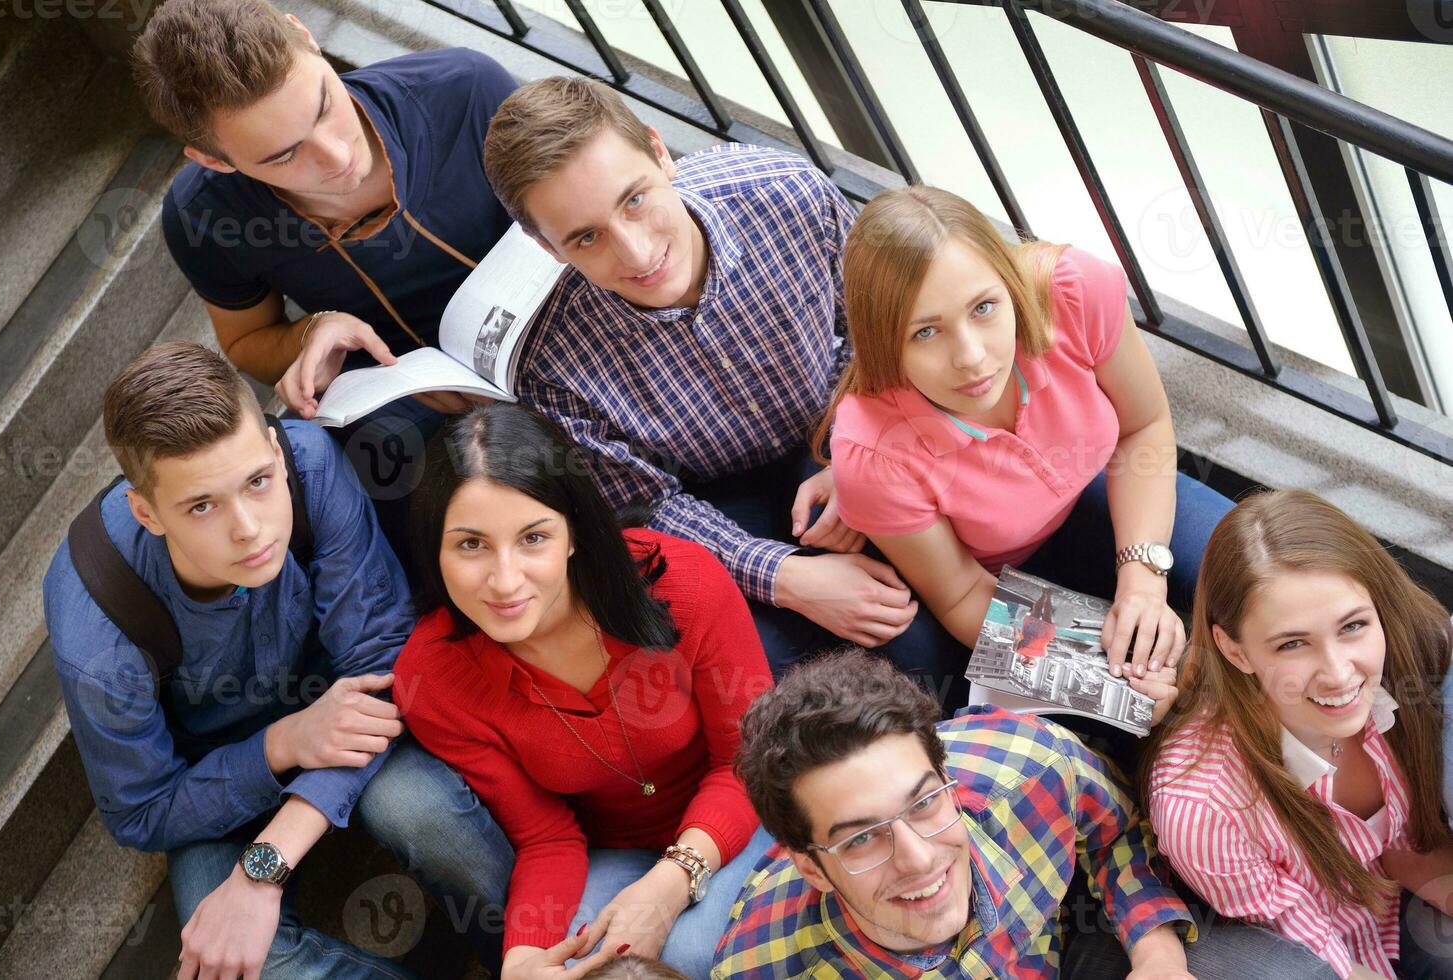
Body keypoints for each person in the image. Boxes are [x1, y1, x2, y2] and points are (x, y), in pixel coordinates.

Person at [481, 76, 970, 708]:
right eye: (585, 237)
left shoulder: (790, 198)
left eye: (634, 200)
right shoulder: (548, 361)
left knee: (930, 624)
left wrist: (857, 450)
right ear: (543, 245)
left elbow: (873, 332)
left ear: (661, 152)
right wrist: (787, 578)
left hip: (839, 426)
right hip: (709, 502)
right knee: (765, 675)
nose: (635, 252)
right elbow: (645, 504)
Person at [42, 342, 512, 979]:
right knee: (246, 965)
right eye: (202, 506)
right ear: (147, 512)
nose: (251, 529)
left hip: (354, 712)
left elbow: (385, 661)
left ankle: (534, 960)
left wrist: (268, 862)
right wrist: (282, 745)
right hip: (209, 780)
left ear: (270, 446)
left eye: (258, 482)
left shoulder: (310, 465)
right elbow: (142, 809)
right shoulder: (98, 624)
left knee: (423, 813)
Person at [392, 403, 775, 980]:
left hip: (739, 812)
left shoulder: (683, 580)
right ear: (433, 551)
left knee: (693, 957)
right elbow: (544, 835)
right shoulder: (433, 676)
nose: (504, 580)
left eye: (533, 538)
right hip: (608, 855)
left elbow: (747, 759)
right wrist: (522, 958)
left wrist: (672, 883)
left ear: (574, 533)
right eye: (471, 545)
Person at [821, 185, 1235, 690]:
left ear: (1008, 281)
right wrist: (1107, 667)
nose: (971, 356)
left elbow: (1143, 427)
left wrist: (1143, 584)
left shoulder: (1074, 289)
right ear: (885, 341)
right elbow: (962, 594)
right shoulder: (871, 454)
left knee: (1259, 583)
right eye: (926, 332)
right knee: (1159, 695)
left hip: (1105, 488)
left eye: (984, 307)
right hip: (992, 580)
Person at [715, 648, 1343, 980]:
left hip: (1069, 951)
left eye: (926, 803)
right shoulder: (761, 968)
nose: (920, 858)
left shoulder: (1031, 764)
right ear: (812, 868)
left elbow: (1116, 831)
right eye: (861, 841)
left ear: (948, 780)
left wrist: (1156, 956)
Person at [136, 0, 517, 538]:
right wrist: (315, 331)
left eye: (323, 107)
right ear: (215, 161)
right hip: (402, 399)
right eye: (284, 156)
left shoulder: (466, 89)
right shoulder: (203, 214)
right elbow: (247, 341)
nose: (336, 155)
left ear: (305, 35)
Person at [1143, 489, 1453, 980]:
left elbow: (1404, 848)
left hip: (1394, 904)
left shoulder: (1409, 664)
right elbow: (1318, 955)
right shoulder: (1203, 809)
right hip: (1319, 959)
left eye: (1352, 626)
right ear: (1235, 650)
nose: (1338, 673)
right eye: (1293, 644)